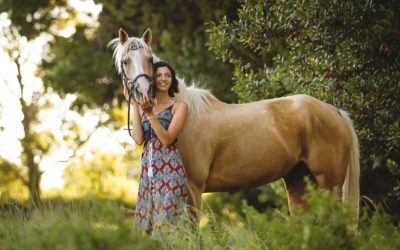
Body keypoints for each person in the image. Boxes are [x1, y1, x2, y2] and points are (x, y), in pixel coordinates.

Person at [123, 61, 189, 234]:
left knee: (168, 226)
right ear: (152, 79)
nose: (163, 79)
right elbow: (138, 139)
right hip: (148, 173)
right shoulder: (143, 106)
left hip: (171, 172)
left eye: (168, 75)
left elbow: (167, 140)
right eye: (158, 75)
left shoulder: (179, 107)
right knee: (147, 226)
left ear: (172, 79)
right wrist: (135, 106)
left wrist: (150, 114)